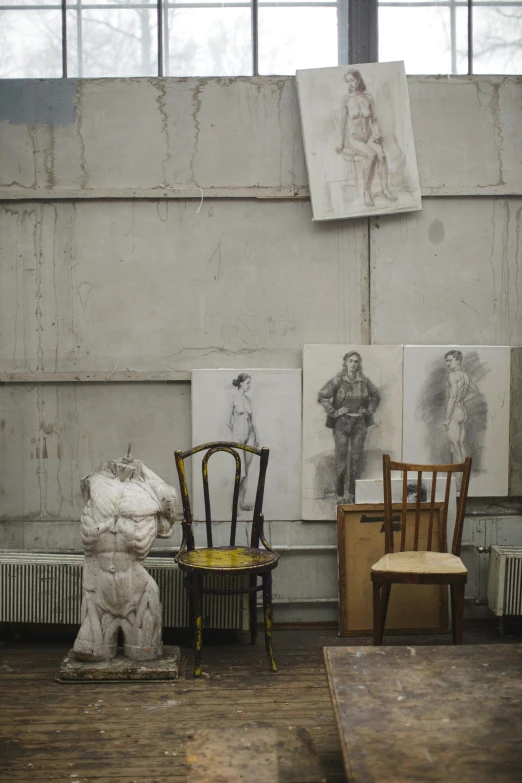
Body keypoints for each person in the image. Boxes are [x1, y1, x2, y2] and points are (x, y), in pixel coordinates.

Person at [318, 352, 380, 503]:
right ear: (345, 363)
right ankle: (340, 495)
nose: (353, 364)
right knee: (341, 461)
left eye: (356, 361)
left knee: (356, 460)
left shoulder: (364, 381)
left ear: (359, 364)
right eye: (351, 361)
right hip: (341, 424)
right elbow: (322, 396)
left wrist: (368, 411)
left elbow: (376, 396)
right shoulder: (338, 380)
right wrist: (334, 412)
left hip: (359, 424)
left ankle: (352, 494)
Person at [336, 68, 397, 208]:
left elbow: (374, 119)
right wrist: (340, 143)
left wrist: (376, 134)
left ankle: (385, 190)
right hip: (354, 139)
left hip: (369, 136)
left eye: (352, 80)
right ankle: (366, 192)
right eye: (348, 81)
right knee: (372, 156)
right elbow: (343, 124)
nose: (350, 84)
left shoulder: (368, 97)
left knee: (382, 156)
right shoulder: (345, 100)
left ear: (358, 80)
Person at [227, 373, 259, 511]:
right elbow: (227, 421)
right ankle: (234, 504)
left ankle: (242, 503)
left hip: (250, 436)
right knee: (241, 473)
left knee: (247, 471)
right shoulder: (233, 399)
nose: (249, 386)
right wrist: (234, 435)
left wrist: (257, 435)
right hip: (238, 437)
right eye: (248, 383)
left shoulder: (248, 400)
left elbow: (252, 420)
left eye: (250, 383)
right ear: (241, 383)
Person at [444, 349, 478, 464]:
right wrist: (462, 399)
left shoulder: (452, 375)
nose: (447, 364)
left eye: (450, 361)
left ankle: (459, 480)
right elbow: (475, 391)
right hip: (463, 412)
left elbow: (452, 398)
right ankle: (464, 478)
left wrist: (447, 418)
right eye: (446, 361)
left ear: (458, 360)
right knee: (461, 445)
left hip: (454, 413)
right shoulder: (465, 376)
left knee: (455, 447)